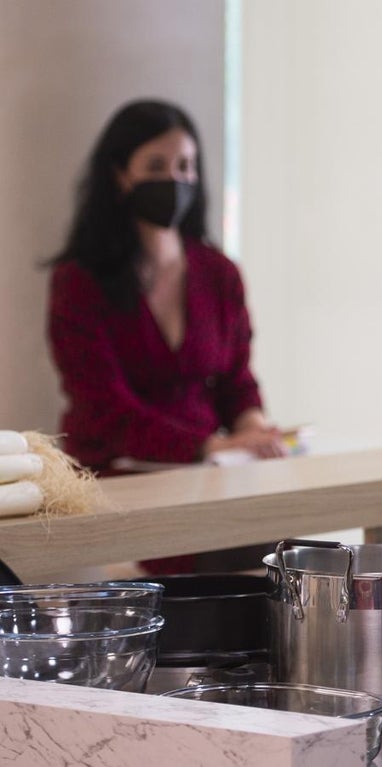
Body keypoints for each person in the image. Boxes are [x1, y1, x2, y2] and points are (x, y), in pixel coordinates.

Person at [47, 100, 286, 575]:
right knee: (218, 554)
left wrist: (252, 427)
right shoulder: (79, 281)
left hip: (206, 476)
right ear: (120, 174)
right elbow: (104, 408)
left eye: (186, 166)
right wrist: (204, 446)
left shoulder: (218, 273)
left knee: (287, 545)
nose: (175, 180)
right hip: (118, 476)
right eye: (156, 166)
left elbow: (236, 379)